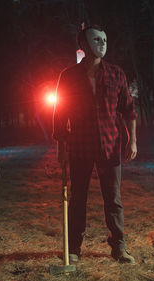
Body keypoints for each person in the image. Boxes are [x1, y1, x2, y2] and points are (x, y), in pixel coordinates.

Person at [52, 25, 137, 264]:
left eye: (104, 39)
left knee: (114, 199)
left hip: (110, 146)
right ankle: (74, 248)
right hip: (80, 147)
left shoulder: (116, 74)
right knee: (78, 199)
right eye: (96, 39)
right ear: (84, 44)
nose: (101, 43)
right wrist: (62, 150)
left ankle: (119, 247)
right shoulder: (68, 76)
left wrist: (133, 140)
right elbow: (61, 115)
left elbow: (129, 109)